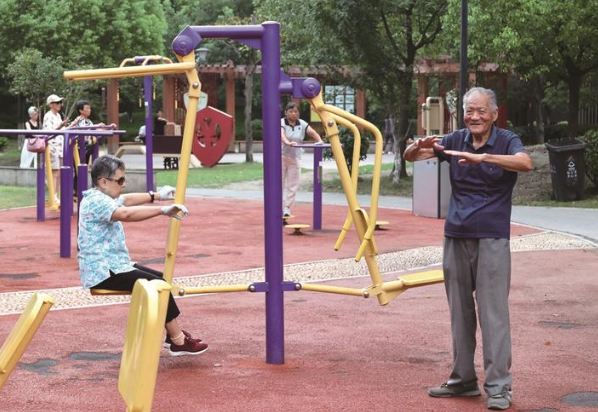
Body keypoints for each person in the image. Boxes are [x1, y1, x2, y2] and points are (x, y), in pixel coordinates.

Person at [403, 87, 533, 411]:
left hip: (491, 237)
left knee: (493, 314)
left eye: (481, 111)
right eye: (469, 111)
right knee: (459, 312)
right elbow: (412, 157)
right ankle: (463, 379)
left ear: (494, 114)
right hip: (456, 234)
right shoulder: (455, 139)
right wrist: (417, 147)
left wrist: (483, 157)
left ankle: (499, 387)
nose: (474, 117)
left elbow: (525, 163)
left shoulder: (506, 140)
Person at [77, 155, 208, 356]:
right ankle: (178, 340)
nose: (124, 184)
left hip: (113, 265)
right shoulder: (97, 202)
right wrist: (162, 210)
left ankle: (171, 335)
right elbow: (126, 213)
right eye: (120, 180)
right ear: (103, 182)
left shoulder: (102, 196)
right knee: (158, 285)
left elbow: (127, 200)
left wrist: (157, 195)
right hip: (103, 272)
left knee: (160, 279)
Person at [280, 101, 323, 217]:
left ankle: (287, 209)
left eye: (295, 111)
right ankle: (277, 207)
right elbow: (281, 135)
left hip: (295, 158)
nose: (293, 114)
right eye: (291, 112)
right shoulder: (282, 122)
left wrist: (319, 141)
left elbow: (313, 132)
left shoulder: (302, 123)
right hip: (282, 157)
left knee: (292, 185)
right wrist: (288, 142)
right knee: (279, 184)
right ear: (286, 113)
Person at [71, 99, 115, 164]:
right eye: (87, 108)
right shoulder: (78, 119)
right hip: (79, 147)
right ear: (81, 110)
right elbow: (85, 129)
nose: (89, 110)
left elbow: (94, 129)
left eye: (90, 108)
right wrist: (98, 126)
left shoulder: (88, 121)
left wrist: (108, 128)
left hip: (87, 146)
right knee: (80, 165)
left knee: (85, 164)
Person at [43, 94, 69, 203]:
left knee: (59, 173)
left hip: (60, 147)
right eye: (57, 102)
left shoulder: (58, 115)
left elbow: (63, 130)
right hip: (52, 147)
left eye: (60, 102)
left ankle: (55, 196)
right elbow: (49, 132)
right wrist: (61, 126)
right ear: (51, 104)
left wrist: (70, 124)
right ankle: (53, 196)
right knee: (55, 172)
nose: (60, 104)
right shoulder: (48, 116)